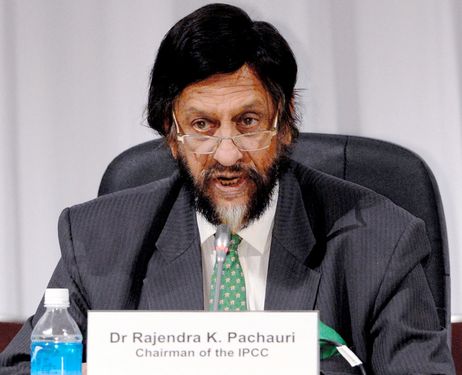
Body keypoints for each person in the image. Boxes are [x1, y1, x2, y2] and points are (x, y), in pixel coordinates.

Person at [0, 3, 455, 374]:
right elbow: (25, 367)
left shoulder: (380, 242)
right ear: (169, 133)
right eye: (202, 126)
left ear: (286, 122)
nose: (227, 155)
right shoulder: (99, 240)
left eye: (249, 122)